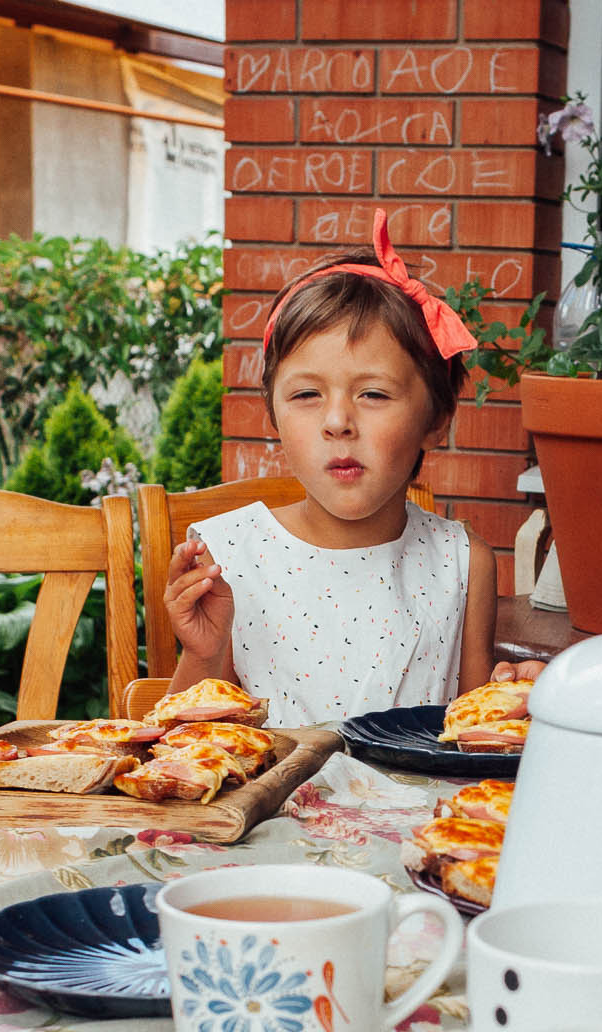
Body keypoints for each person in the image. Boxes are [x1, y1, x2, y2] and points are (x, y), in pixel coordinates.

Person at [161, 209, 541, 728]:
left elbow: (471, 738)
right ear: (273, 414)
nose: (338, 421)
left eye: (374, 394)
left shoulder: (463, 561)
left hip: (421, 810)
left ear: (436, 421)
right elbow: (188, 750)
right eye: (307, 394)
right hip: (268, 810)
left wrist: (514, 701)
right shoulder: (226, 558)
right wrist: (202, 655)